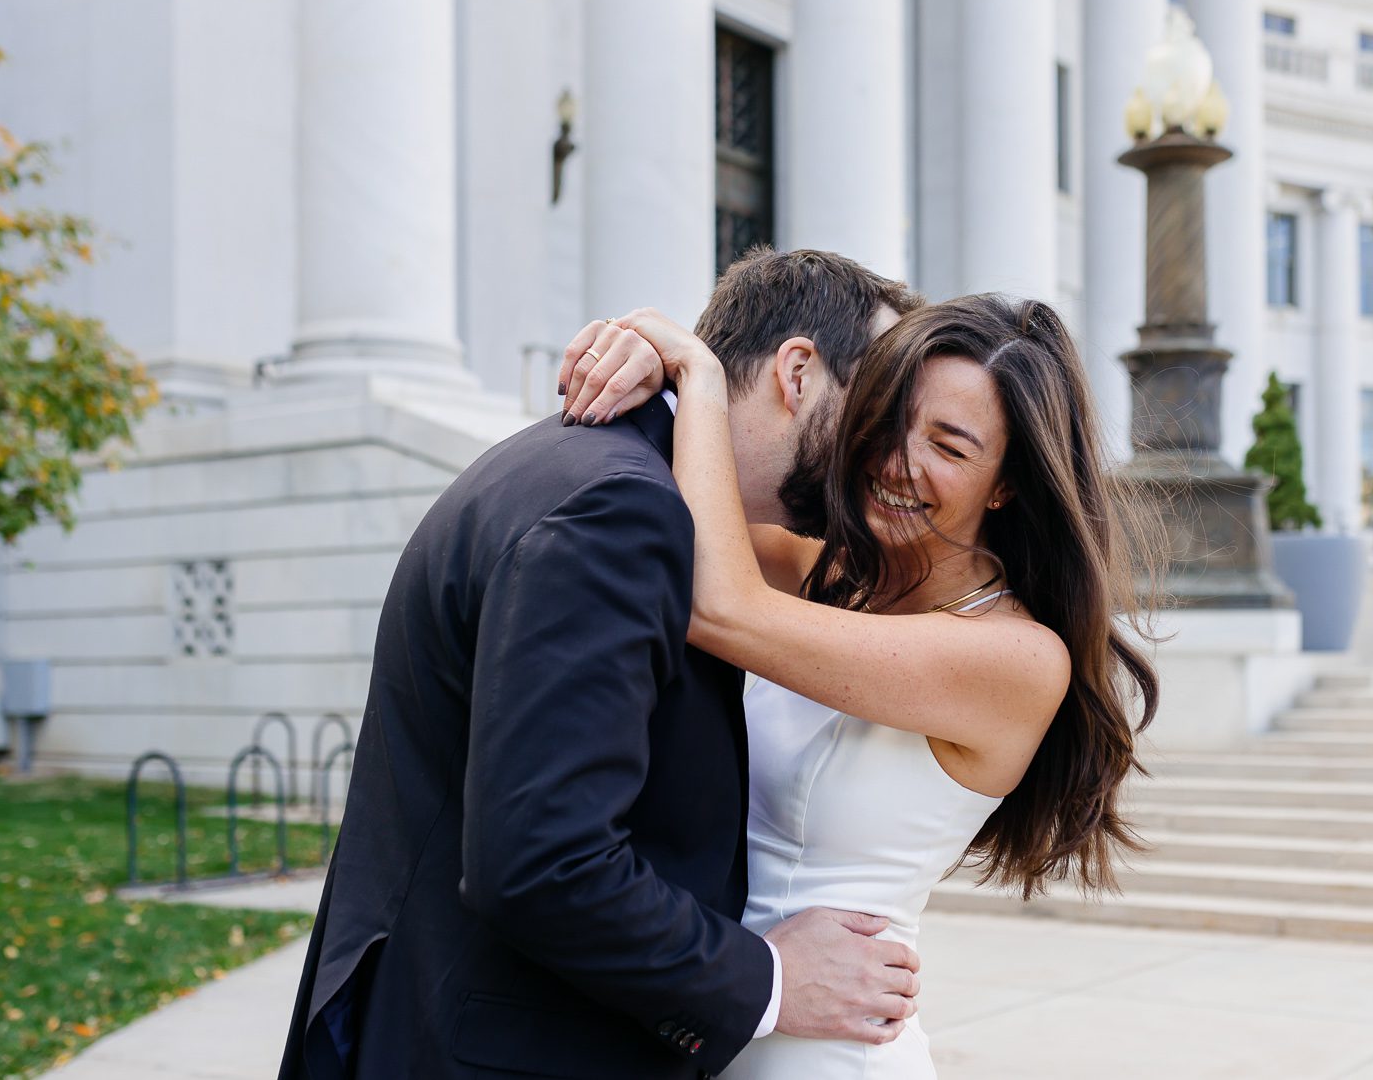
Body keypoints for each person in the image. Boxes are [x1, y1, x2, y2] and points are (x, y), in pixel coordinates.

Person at [277, 249, 926, 1080]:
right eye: (877, 412)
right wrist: (769, 979)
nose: (884, 457)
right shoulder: (621, 509)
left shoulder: (593, 468)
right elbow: (546, 862)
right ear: (797, 373)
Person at [560, 293, 1159, 1079]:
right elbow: (690, 507)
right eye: (890, 419)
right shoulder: (829, 571)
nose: (894, 461)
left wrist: (698, 374)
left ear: (1006, 485)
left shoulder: (1016, 658)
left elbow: (716, 604)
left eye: (947, 444)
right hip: (721, 1014)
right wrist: (639, 359)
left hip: (830, 1055)